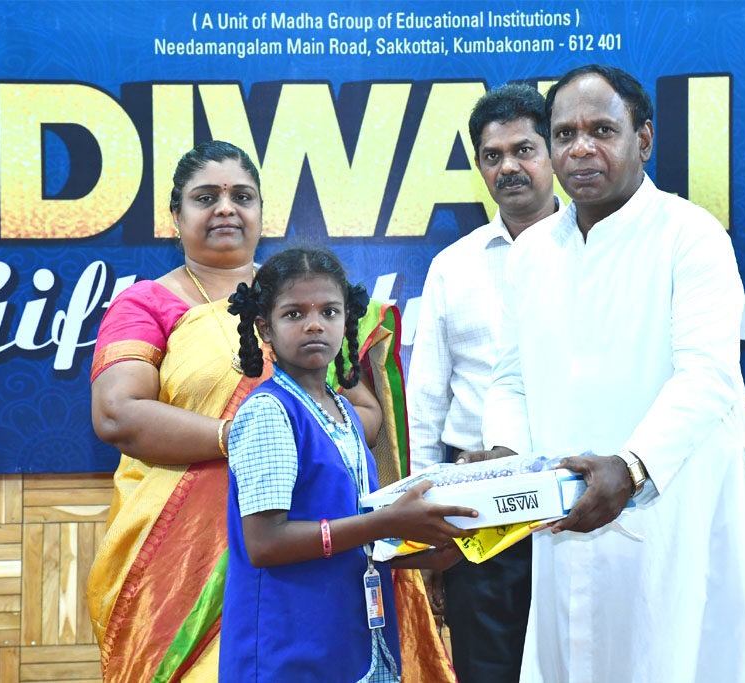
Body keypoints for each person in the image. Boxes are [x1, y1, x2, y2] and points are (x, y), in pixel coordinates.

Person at [478, 65, 745, 682]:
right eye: (564, 134)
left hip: (682, 502)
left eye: (602, 130)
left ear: (643, 139)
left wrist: (632, 466)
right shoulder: (531, 253)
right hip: (567, 509)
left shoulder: (690, 234)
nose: (580, 148)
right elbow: (510, 379)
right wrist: (506, 461)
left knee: (684, 655)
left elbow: (707, 377)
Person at [86, 141, 437, 682]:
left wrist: (309, 435)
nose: (226, 208)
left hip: (320, 540)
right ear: (176, 216)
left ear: (260, 211)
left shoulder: (306, 298)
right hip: (182, 561)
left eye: (241, 197)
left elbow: (364, 415)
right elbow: (117, 413)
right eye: (206, 197)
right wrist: (247, 437)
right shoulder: (147, 303)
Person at [221, 247, 477, 681]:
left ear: (347, 320)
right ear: (264, 327)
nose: (315, 324)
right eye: (294, 314)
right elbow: (266, 543)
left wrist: (422, 554)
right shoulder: (268, 412)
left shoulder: (342, 411)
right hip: (290, 648)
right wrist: (386, 523)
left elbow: (353, 533)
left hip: (354, 637)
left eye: (329, 311)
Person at [406, 83, 560, 682]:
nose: (508, 167)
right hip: (480, 508)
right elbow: (426, 401)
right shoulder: (454, 266)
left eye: (523, 150)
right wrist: (427, 518)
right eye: (492, 156)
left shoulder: (595, 250)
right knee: (488, 669)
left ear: (552, 151)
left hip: (578, 496)